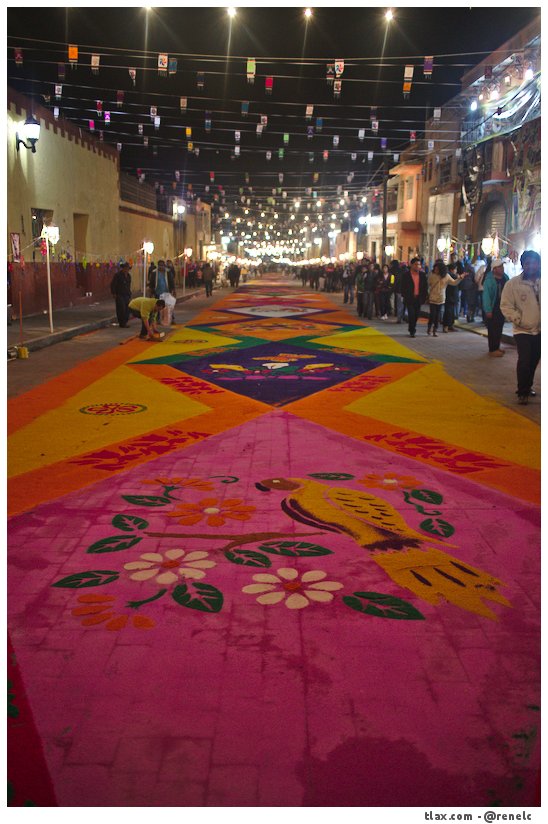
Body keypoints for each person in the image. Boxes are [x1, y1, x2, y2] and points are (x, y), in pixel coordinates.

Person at [500, 250, 541, 404]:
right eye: (528, 262)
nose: (531, 265)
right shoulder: (513, 284)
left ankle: (528, 385)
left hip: (541, 330)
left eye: (534, 262)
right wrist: (518, 319)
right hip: (522, 329)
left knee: (534, 360)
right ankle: (522, 391)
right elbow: (506, 305)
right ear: (523, 264)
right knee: (524, 360)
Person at [427, 259, 465, 336]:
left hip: (441, 298)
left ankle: (435, 330)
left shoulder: (447, 276)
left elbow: (454, 283)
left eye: (437, 269)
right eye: (435, 269)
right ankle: (429, 327)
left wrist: (460, 278)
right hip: (432, 298)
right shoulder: (432, 276)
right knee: (433, 314)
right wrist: (428, 293)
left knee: (437, 315)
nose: (435, 270)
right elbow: (428, 285)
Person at [482, 258, 509, 357]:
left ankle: (497, 347)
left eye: (502, 266)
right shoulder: (489, 280)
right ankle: (492, 349)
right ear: (494, 269)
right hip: (493, 307)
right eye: (500, 267)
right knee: (492, 328)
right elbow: (486, 296)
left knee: (499, 327)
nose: (502, 268)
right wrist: (488, 310)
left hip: (502, 307)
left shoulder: (505, 278)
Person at [400, 257, 428, 338]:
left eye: (419, 264)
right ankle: (412, 330)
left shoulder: (422, 275)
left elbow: (425, 287)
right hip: (409, 298)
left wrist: (424, 297)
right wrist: (404, 295)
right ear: (411, 265)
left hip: (419, 298)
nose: (418, 266)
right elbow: (402, 286)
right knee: (411, 314)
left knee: (416, 315)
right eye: (416, 264)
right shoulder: (406, 275)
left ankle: (412, 326)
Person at [110, 261, 132, 327]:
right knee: (121, 308)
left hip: (126, 294)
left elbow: (128, 286)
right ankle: (122, 323)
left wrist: (129, 294)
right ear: (123, 268)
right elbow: (113, 284)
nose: (126, 270)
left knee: (127, 309)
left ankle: (125, 322)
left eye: (128, 268)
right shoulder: (117, 275)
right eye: (125, 268)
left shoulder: (128, 276)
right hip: (119, 294)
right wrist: (114, 293)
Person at [442, 262, 460, 332]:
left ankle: (449, 325)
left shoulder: (447, 275)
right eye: (455, 269)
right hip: (450, 296)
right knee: (449, 312)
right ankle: (447, 326)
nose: (456, 271)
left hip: (450, 296)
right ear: (452, 270)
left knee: (450, 312)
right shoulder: (451, 276)